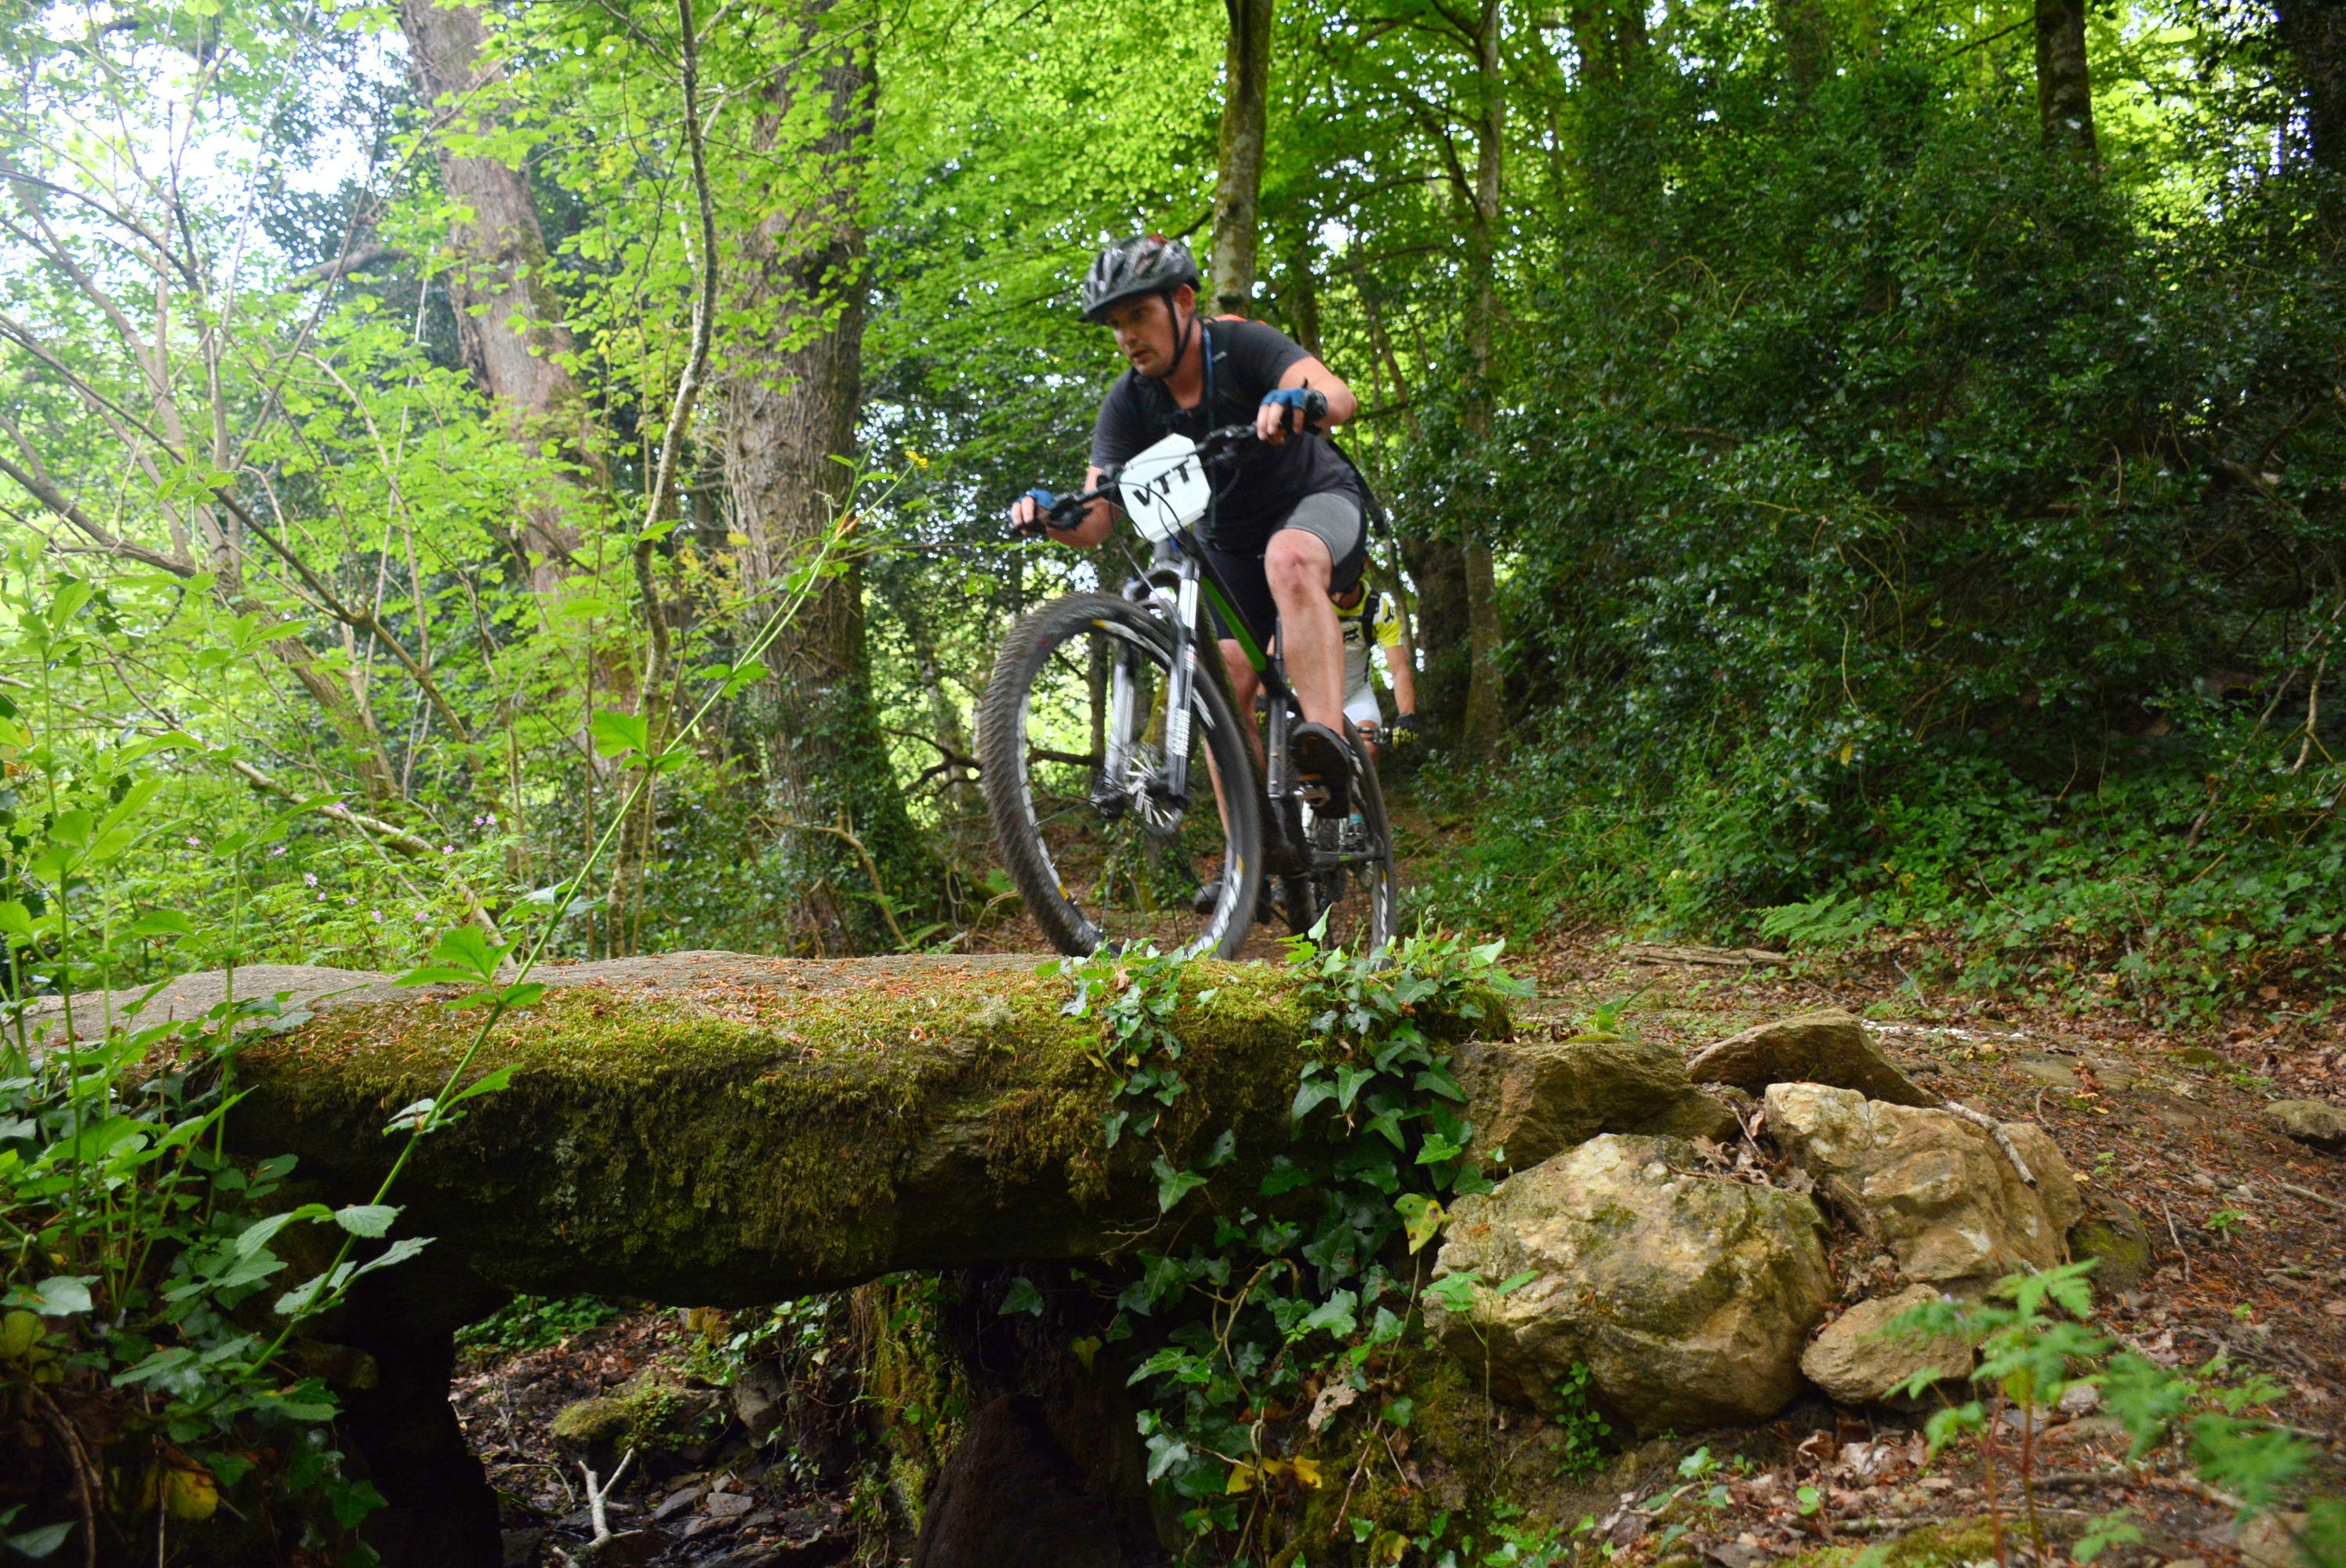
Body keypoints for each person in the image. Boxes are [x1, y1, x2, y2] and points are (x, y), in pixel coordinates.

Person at [1007, 234, 1367, 810]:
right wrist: (1050, 516)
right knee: (1223, 685)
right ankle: (1255, 851)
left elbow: (1338, 394)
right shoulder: (1129, 402)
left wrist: (1305, 401)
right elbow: (1096, 521)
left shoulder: (1240, 345)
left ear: (1183, 300)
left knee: (1290, 559)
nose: (1126, 336)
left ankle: (1326, 755)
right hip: (1228, 545)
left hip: (1316, 502)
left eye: (1138, 315)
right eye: (1115, 325)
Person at [1333, 581, 1420, 757]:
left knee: (1367, 750)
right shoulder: (1310, 594)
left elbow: (1399, 670)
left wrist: (1406, 714)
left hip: (1355, 696)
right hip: (1310, 696)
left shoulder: (1377, 608)